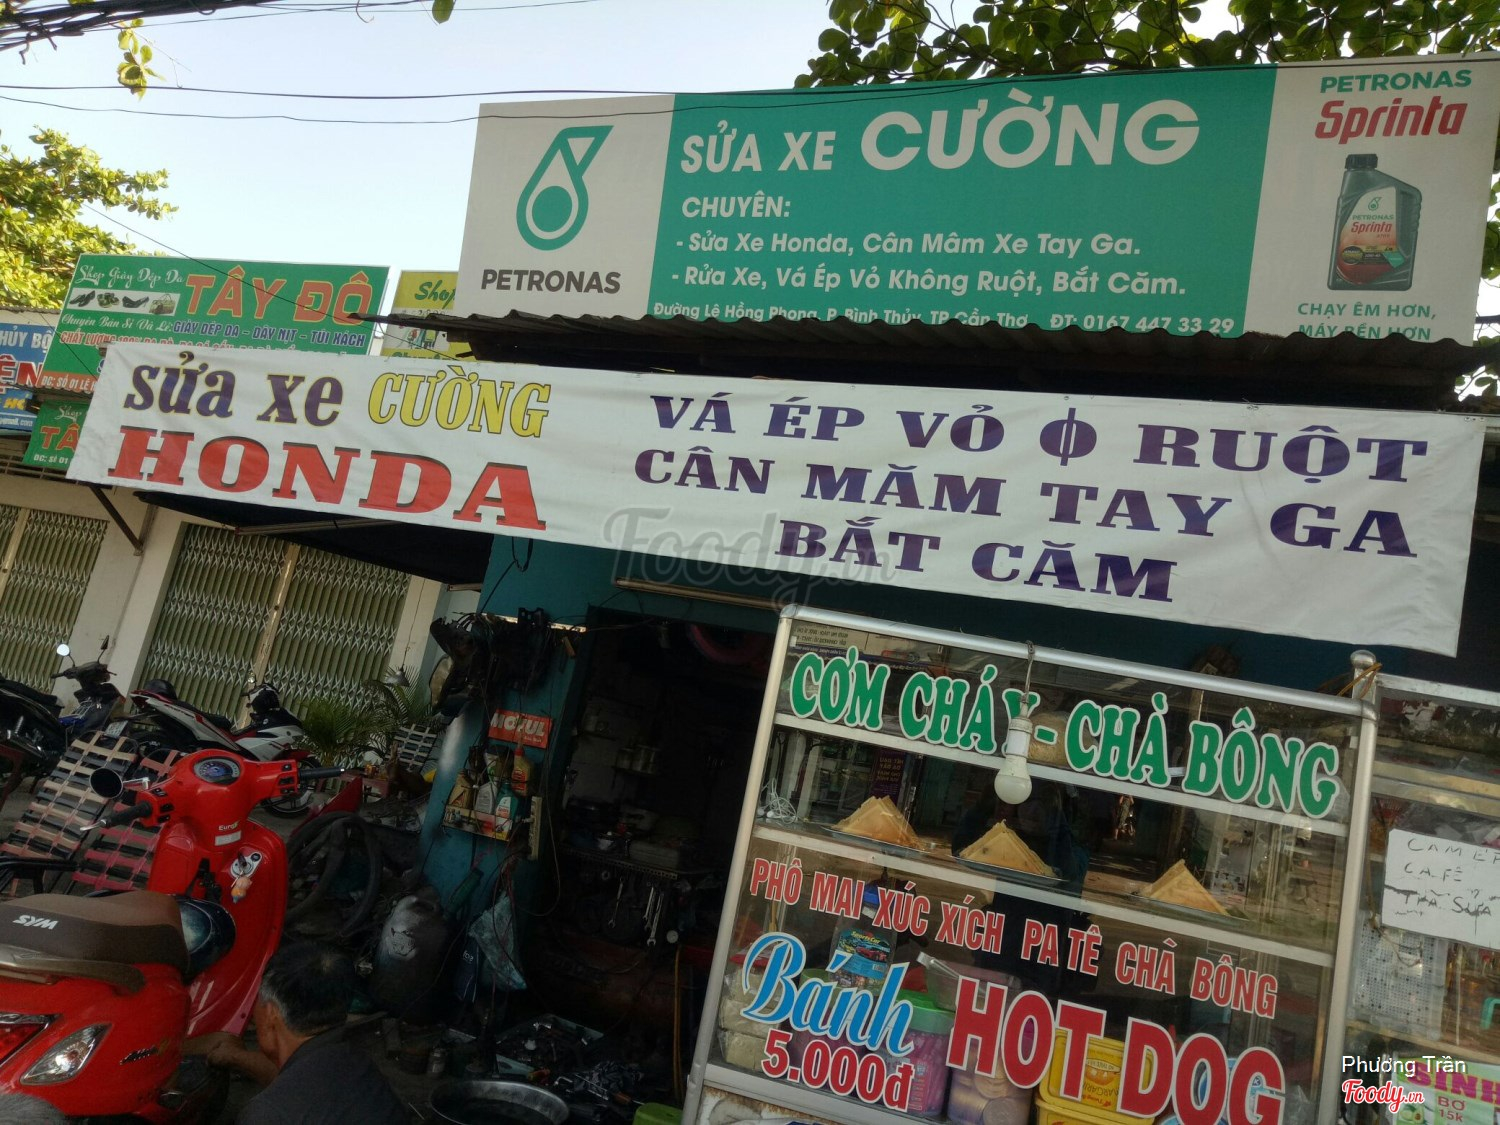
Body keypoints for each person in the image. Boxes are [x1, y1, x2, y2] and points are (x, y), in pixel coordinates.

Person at [186, 941, 410, 1125]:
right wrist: (235, 1057)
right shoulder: (359, 1065)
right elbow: (297, 1082)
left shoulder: (267, 1115)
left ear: (271, 1014)